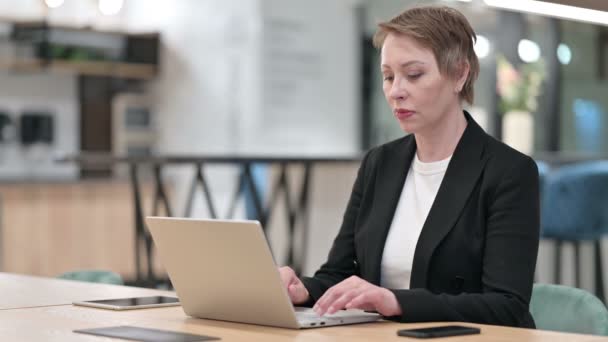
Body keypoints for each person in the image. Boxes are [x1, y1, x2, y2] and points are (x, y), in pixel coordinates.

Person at [279, 5, 539, 328]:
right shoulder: (379, 163)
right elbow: (339, 274)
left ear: (460, 74)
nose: (396, 91)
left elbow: (507, 307)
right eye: (388, 77)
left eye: (413, 75)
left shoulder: (509, 172)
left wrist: (396, 300)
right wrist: (302, 290)